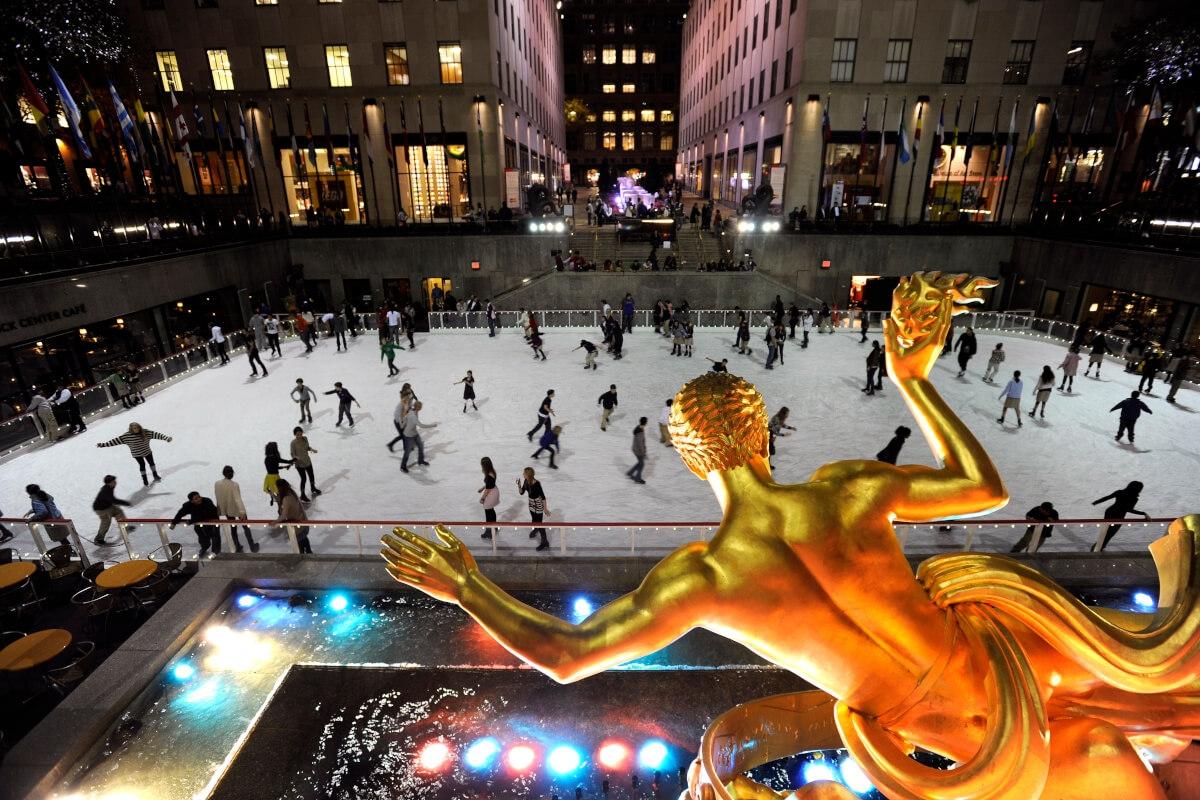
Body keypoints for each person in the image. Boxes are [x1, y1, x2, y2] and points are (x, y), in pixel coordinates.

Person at [96, 422, 173, 485]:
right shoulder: (126, 436)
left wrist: (166, 438)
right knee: (142, 465)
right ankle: (145, 479)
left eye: (138, 427)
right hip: (137, 454)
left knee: (151, 463)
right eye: (135, 428)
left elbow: (157, 435)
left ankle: (155, 475)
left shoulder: (145, 432)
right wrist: (103, 445)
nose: (137, 429)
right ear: (131, 429)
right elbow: (114, 441)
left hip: (147, 451)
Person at [1091, 481, 1149, 552]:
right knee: (1109, 534)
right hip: (1119, 517)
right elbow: (1128, 509)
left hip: (1110, 512)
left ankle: (1097, 548)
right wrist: (1143, 513)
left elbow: (1107, 497)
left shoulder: (1120, 492)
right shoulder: (1134, 498)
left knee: (1104, 532)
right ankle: (1098, 549)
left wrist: (1095, 502)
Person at [215, 465, 258, 553]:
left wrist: (221, 509)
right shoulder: (234, 485)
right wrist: (242, 512)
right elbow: (237, 498)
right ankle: (252, 546)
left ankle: (237, 546)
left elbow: (218, 497)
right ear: (232, 474)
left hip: (227, 509)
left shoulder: (217, 484)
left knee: (233, 527)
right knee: (246, 527)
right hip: (237, 509)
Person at [169, 491, 222, 558]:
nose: (199, 499)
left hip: (212, 520)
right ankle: (205, 547)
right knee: (201, 535)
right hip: (198, 522)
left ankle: (215, 550)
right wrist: (174, 523)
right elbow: (180, 513)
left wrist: (191, 521)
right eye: (196, 498)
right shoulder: (188, 506)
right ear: (191, 501)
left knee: (214, 535)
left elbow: (205, 514)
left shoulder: (207, 501)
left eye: (199, 497)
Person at [273, 478, 312, 554]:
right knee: (304, 540)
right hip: (303, 521)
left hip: (297, 526)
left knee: (300, 545)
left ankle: (304, 558)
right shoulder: (291, 492)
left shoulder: (286, 499)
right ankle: (309, 553)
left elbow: (284, 515)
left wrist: (275, 522)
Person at [92, 475, 132, 546]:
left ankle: (125, 527)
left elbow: (112, 500)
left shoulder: (110, 487)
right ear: (109, 483)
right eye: (113, 481)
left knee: (119, 512)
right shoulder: (105, 491)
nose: (115, 482)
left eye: (115, 480)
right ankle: (99, 539)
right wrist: (125, 503)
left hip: (108, 506)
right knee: (106, 522)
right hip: (101, 509)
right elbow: (113, 500)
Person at [517, 467, 550, 551]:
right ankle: (535, 529)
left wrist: (545, 509)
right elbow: (521, 492)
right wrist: (519, 485)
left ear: (528, 475)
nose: (523, 474)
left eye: (524, 473)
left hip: (538, 505)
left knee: (539, 524)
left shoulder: (537, 484)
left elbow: (543, 497)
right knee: (534, 520)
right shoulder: (526, 481)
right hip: (531, 504)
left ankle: (545, 542)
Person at [400, 401, 436, 473]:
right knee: (408, 451)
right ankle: (403, 466)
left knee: (421, 445)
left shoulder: (413, 410)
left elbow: (405, 418)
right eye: (421, 406)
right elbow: (421, 425)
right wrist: (432, 425)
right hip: (409, 435)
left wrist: (403, 423)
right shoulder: (413, 416)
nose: (421, 407)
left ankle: (420, 461)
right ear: (418, 407)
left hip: (414, 433)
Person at [290, 427, 321, 501]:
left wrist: (312, 449)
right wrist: (296, 458)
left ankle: (313, 488)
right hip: (299, 464)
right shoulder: (293, 443)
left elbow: (307, 447)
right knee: (303, 479)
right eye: (297, 434)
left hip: (307, 461)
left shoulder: (305, 438)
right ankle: (303, 495)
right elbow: (292, 454)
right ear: (295, 434)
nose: (299, 436)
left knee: (311, 475)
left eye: (300, 434)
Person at [262, 441, 293, 506]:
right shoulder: (275, 458)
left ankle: (274, 498)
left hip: (268, 477)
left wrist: (284, 467)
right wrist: (293, 460)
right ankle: (279, 501)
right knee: (279, 490)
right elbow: (286, 461)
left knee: (269, 489)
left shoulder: (266, 459)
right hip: (275, 477)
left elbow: (273, 467)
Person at [479, 458, 500, 540]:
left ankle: (489, 532)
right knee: (491, 511)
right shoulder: (492, 471)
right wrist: (482, 488)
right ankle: (494, 527)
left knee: (488, 513)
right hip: (494, 491)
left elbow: (488, 489)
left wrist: (482, 498)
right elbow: (489, 484)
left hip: (491, 494)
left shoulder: (489, 475)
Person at [627, 417, 648, 484]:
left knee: (640, 463)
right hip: (638, 451)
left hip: (635, 449)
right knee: (641, 464)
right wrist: (643, 453)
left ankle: (630, 473)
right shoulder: (640, 432)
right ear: (645, 423)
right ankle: (637, 478)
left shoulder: (639, 428)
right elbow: (640, 444)